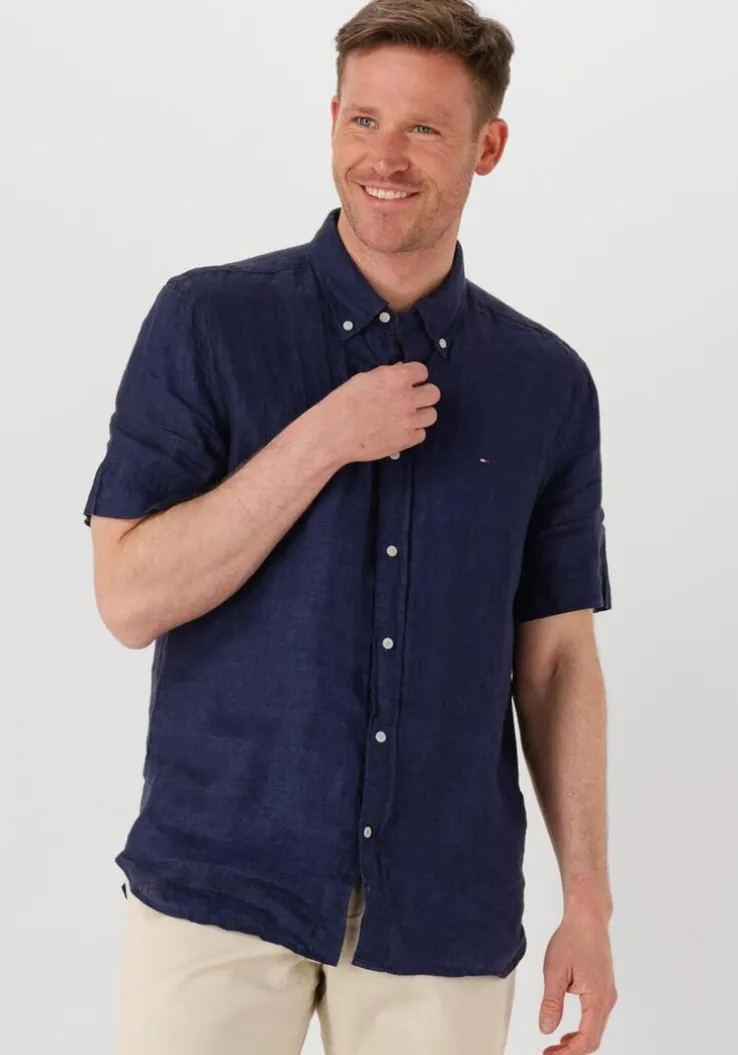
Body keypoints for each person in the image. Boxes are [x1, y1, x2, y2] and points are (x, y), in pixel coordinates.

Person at [83, 1, 618, 1053]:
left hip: (444, 909)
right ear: (332, 121)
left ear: (488, 147)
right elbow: (128, 597)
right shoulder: (206, 321)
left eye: (424, 128)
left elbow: (557, 659)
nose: (385, 157)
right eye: (364, 119)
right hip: (219, 891)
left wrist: (589, 901)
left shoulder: (547, 384)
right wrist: (320, 440)